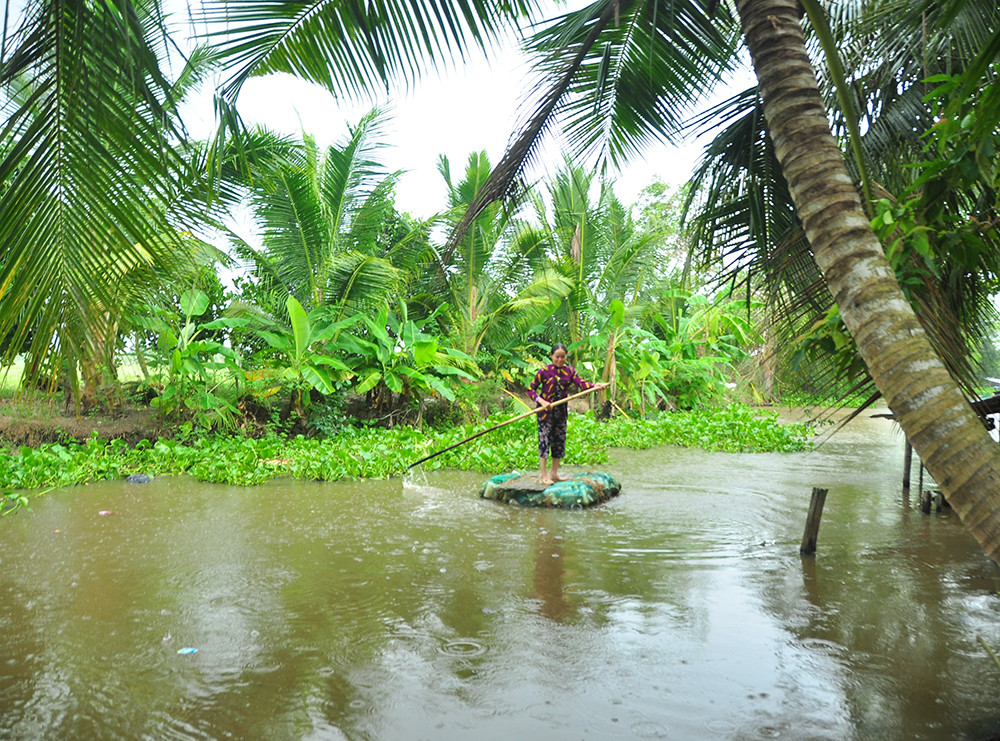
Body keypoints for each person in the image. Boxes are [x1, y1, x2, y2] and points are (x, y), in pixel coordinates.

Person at [526, 343, 607, 484]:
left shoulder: (570, 372)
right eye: (557, 356)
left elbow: (581, 383)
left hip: (561, 413)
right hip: (545, 413)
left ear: (566, 356)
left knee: (558, 442)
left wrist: (595, 386)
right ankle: (544, 475)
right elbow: (530, 390)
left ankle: (554, 473)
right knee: (544, 441)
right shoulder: (544, 371)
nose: (560, 359)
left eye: (562, 357)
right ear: (552, 356)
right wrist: (542, 401)